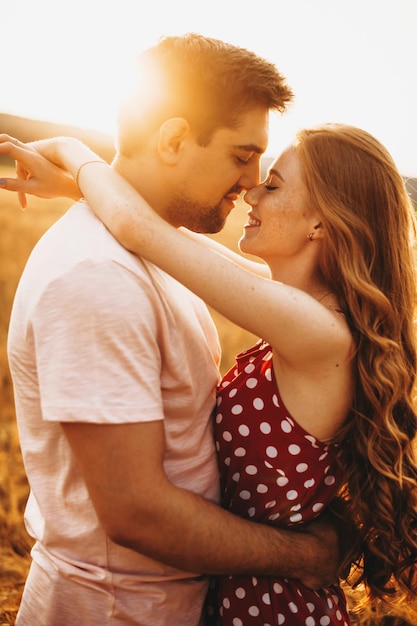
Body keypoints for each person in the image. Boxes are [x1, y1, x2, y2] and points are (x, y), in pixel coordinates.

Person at [3, 121, 417, 626]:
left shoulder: (318, 333)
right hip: (243, 591)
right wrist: (74, 185)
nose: (251, 193)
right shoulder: (304, 309)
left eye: (274, 184)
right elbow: (173, 243)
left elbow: (145, 233)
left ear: (321, 223)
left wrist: (71, 149)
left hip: (273, 608)